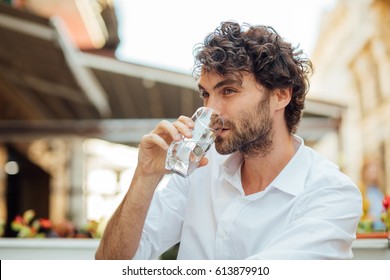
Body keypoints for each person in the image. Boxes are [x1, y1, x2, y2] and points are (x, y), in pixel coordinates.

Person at [95, 21, 362, 260]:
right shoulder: (198, 171)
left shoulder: (332, 194)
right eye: (206, 95)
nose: (212, 111)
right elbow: (112, 264)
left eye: (229, 90)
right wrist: (145, 176)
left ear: (281, 95)